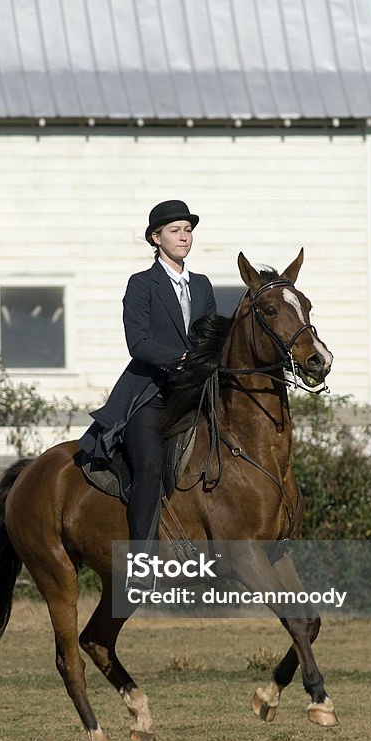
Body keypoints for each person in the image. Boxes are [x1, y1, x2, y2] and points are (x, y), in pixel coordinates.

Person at [79, 199, 216, 548]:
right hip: (150, 395)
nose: (184, 237)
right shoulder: (141, 284)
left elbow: (210, 337)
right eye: (175, 231)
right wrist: (182, 358)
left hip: (195, 391)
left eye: (187, 230)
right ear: (156, 238)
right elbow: (138, 343)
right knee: (150, 469)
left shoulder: (201, 285)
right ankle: (141, 559)